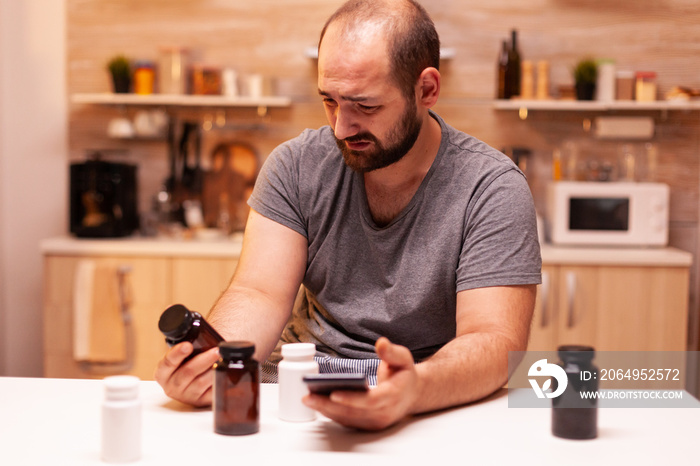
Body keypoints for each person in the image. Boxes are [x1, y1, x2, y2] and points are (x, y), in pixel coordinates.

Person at [155, 0, 541, 431]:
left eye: (365, 106)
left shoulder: (491, 187)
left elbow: (493, 340)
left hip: (427, 398)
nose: (341, 127)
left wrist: (414, 388)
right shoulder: (296, 165)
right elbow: (259, 293)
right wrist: (221, 363)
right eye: (330, 101)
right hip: (297, 385)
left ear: (427, 90)